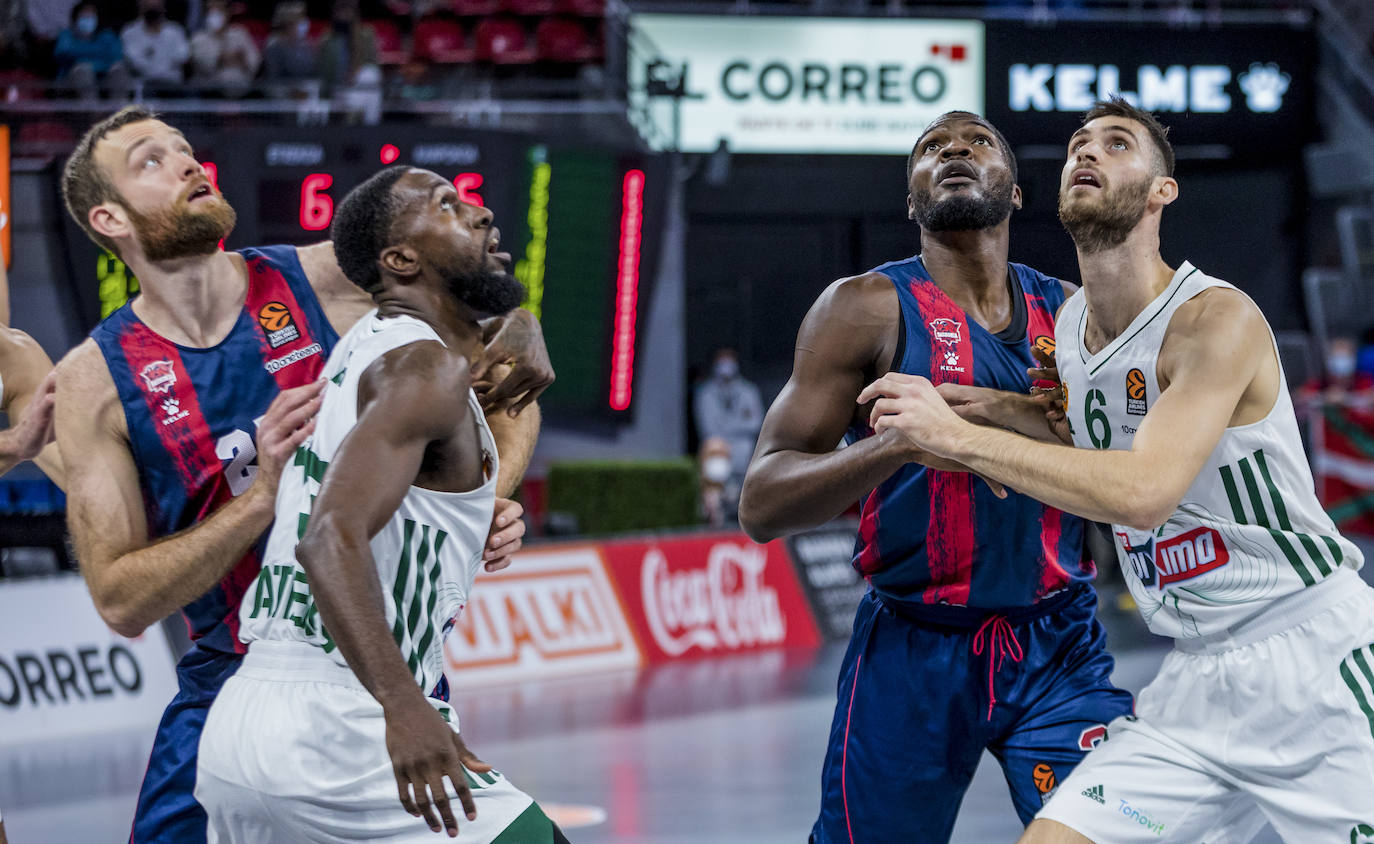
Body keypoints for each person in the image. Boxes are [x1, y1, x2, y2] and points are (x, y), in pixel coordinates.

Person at [860, 97, 1374, 843]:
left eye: (1117, 143)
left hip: (1311, 659)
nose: (1088, 152)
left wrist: (958, 439)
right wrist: (993, 408)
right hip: (1195, 682)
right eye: (1078, 144)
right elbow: (1094, 433)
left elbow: (1142, 492)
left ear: (1163, 190)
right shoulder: (1071, 328)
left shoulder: (1214, 319)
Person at [55, 105, 552, 844]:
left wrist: (481, 497)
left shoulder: (315, 276)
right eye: (151, 160)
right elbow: (121, 601)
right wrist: (262, 498)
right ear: (109, 218)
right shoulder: (94, 380)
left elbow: (496, 367)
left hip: (377, 664)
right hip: (236, 672)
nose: (187, 162)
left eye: (185, 147)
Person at [739, 111, 1133, 842]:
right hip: (913, 648)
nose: (954, 149)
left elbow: (1127, 465)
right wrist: (898, 446)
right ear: (911, 199)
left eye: (979, 141)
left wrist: (1011, 423)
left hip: (1059, 644)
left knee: (1116, 831)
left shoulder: (1073, 314)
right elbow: (761, 502)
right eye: (932, 147)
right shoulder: (862, 307)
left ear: (1016, 192)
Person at [196, 165, 568, 843]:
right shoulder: (426, 369)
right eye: (448, 206)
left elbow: (464, 373)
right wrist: (405, 706)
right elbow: (327, 538)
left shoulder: (366, 351)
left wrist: (518, 319)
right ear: (399, 260)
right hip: (341, 727)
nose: (481, 212)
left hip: (242, 724)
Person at [694, 346, 763, 486]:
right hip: (717, 450)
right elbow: (708, 428)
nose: (726, 365)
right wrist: (739, 424)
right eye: (722, 360)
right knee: (714, 447)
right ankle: (715, 495)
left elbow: (756, 424)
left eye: (729, 360)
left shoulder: (749, 391)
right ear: (714, 364)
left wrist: (725, 424)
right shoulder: (705, 393)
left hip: (745, 451)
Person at [188, 0, 260, 97]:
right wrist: (221, 58)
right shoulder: (198, 37)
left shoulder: (240, 33)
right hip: (210, 94)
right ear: (205, 14)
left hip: (243, 93)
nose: (216, 13)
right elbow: (204, 64)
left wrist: (243, 60)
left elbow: (254, 61)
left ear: (228, 12)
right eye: (212, 9)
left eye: (220, 9)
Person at [54, 3, 127, 91]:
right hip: (72, 77)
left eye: (91, 16)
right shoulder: (66, 35)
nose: (88, 19)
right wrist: (99, 52)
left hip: (104, 75)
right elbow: (63, 53)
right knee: (83, 70)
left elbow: (117, 55)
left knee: (119, 69)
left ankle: (119, 100)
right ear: (76, 18)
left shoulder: (107, 35)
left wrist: (82, 55)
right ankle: (89, 100)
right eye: (84, 16)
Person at [120, 0, 189, 88]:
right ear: (140, 7)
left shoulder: (175, 30)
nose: (152, 9)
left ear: (163, 7)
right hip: (143, 84)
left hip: (173, 84)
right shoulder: (129, 32)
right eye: (148, 6)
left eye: (155, 6)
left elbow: (182, 57)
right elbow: (134, 62)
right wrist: (159, 68)